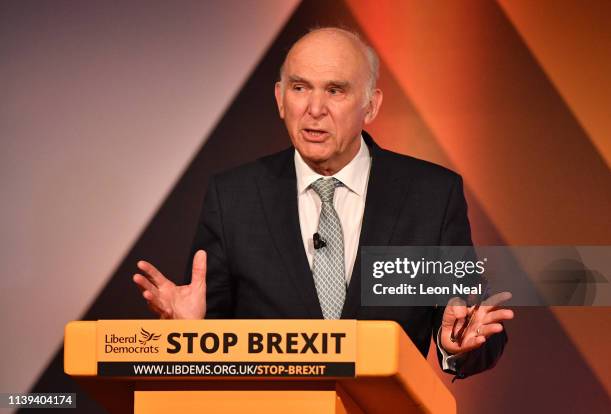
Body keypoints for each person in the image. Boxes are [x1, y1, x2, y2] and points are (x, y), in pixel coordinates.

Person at [132, 27, 514, 379]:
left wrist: (459, 348)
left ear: (371, 105)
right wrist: (188, 335)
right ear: (280, 98)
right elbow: (207, 341)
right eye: (300, 88)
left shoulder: (430, 195)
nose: (314, 109)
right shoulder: (234, 196)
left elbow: (473, 325)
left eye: (335, 90)